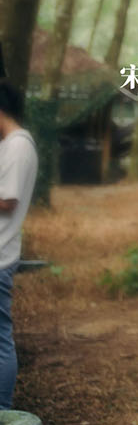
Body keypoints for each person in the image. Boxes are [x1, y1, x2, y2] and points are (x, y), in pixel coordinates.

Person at [0, 80, 37, 410]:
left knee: (0, 339)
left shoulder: (18, 147)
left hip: (0, 255)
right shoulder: (9, 145)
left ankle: (3, 409)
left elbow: (7, 201)